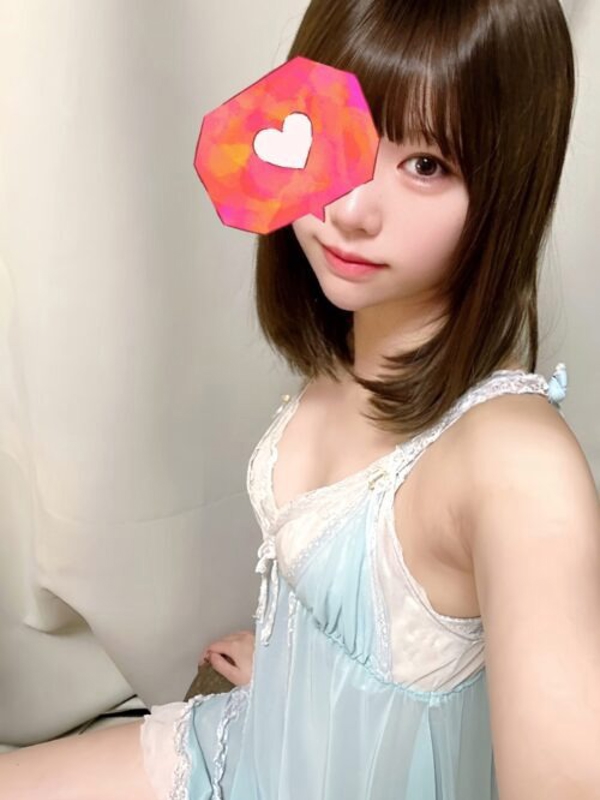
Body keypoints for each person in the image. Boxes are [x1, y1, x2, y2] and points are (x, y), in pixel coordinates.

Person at [2, 0, 600, 797]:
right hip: (252, 740)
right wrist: (310, 664)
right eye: (339, 133)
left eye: (427, 165)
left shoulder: (518, 465)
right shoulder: (360, 339)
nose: (350, 210)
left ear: (507, 185)